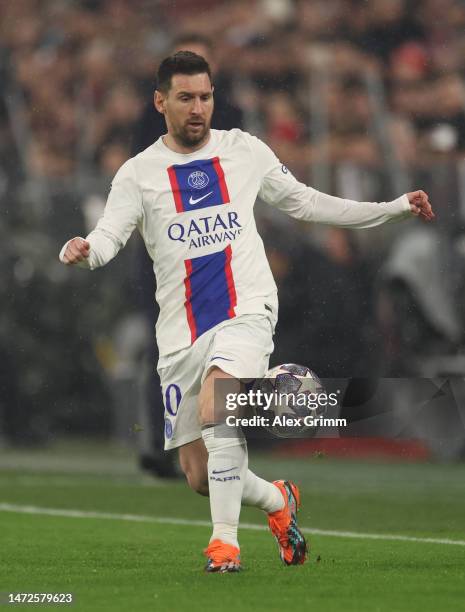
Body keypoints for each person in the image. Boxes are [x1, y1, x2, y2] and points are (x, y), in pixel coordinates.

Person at [59, 51, 434, 573]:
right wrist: (84, 251)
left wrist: (390, 208)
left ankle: (224, 546)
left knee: (219, 400)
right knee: (198, 473)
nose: (198, 108)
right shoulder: (138, 173)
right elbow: (108, 237)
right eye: (186, 97)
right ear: (160, 101)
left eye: (205, 96)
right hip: (179, 334)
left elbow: (306, 202)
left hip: (246, 310)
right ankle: (279, 500)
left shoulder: (244, 152)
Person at [132, 33, 243, 479]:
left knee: (226, 349)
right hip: (166, 253)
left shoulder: (232, 115)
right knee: (164, 347)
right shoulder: (150, 119)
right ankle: (163, 442)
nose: (197, 104)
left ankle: (221, 443)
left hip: (221, 250)